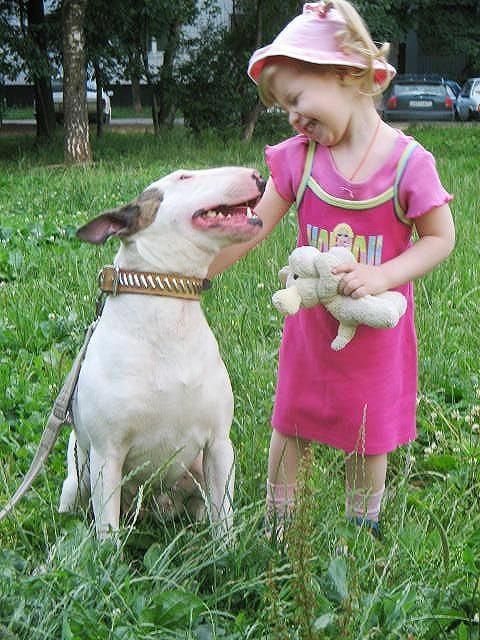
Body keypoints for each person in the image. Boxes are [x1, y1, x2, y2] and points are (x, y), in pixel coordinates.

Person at [208, 0, 455, 538]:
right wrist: (199, 272)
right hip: (311, 332)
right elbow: (255, 225)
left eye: (297, 100)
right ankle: (279, 519)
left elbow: (441, 238)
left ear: (348, 72)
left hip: (373, 337)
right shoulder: (302, 158)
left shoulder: (409, 163)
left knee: (370, 437)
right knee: (289, 422)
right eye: (283, 110)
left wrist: (384, 276)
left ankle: (360, 527)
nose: (293, 118)